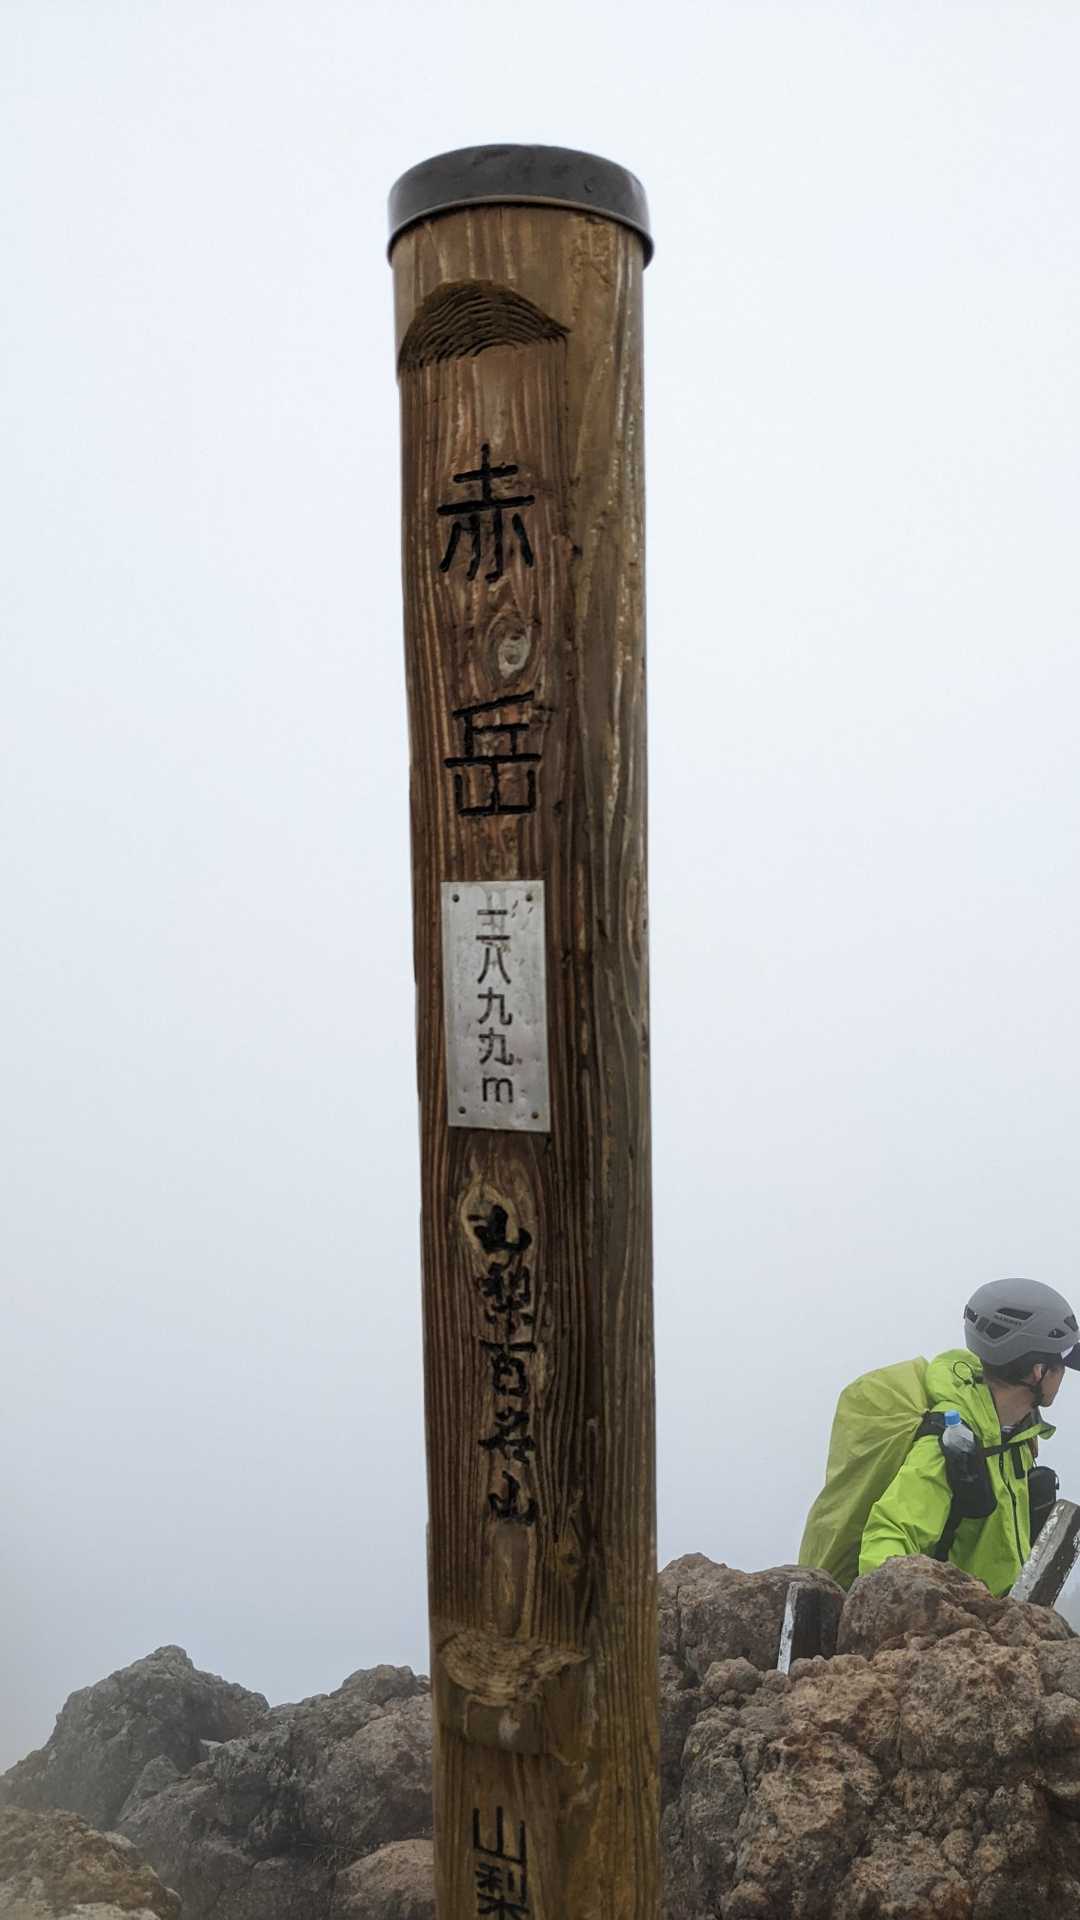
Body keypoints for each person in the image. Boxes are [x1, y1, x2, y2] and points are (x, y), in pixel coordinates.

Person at [858, 1277, 1079, 1595]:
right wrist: (921, 1616)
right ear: (1038, 1371)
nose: (1064, 1375)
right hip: (952, 1622)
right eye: (1062, 1363)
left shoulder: (1016, 1438)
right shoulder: (950, 1443)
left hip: (1001, 1618)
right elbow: (886, 1539)